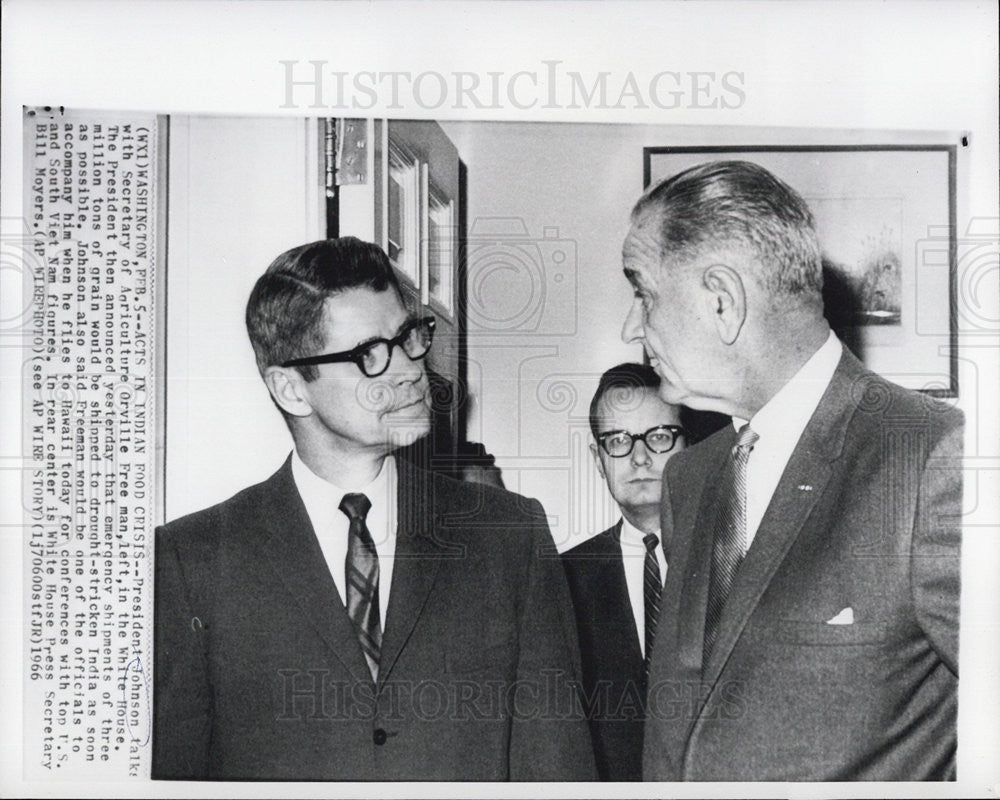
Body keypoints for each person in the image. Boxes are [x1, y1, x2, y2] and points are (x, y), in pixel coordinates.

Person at [153, 237, 595, 781]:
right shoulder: (192, 559)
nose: (411, 369)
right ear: (291, 388)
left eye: (409, 338)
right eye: (369, 355)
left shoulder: (508, 536)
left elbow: (557, 768)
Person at [623, 161, 963, 781]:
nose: (632, 325)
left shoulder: (930, 457)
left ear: (723, 301)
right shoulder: (689, 480)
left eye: (643, 294)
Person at [562, 363, 686, 781]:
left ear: (689, 446)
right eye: (618, 440)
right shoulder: (561, 580)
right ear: (598, 459)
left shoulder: (730, 563)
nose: (639, 457)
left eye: (658, 436)